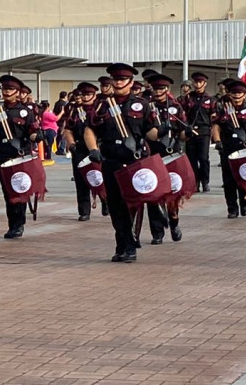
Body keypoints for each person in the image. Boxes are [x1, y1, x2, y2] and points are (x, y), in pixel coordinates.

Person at [82, 63, 146, 262]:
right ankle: (123, 245)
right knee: (116, 206)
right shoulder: (102, 106)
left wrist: (166, 133)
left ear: (131, 82)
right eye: (115, 79)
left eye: (122, 79)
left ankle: (129, 244)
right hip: (111, 161)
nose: (118, 83)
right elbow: (90, 130)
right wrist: (93, 149)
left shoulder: (142, 105)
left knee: (132, 205)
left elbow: (150, 131)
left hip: (135, 162)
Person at [0, 74, 44, 240]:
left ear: (18, 92)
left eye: (11, 89)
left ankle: (19, 224)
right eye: (5, 89)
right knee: (8, 191)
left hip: (20, 154)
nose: (7, 92)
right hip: (2, 155)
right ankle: (13, 223)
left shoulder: (26, 112)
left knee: (20, 188)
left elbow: (32, 132)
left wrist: (36, 137)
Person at [143, 73, 186, 243]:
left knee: (172, 193)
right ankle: (157, 232)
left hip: (171, 153)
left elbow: (182, 134)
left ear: (167, 89)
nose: (158, 91)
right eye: (155, 88)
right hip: (151, 154)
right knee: (152, 193)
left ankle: (174, 221)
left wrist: (186, 134)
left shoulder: (176, 107)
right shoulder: (146, 106)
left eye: (161, 88)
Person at [212, 79, 246, 219]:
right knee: (228, 180)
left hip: (244, 148)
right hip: (227, 148)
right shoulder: (225, 110)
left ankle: (245, 201)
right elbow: (216, 126)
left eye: (239, 93)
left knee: (244, 177)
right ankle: (232, 208)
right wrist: (217, 140)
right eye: (234, 93)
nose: (236, 95)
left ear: (245, 95)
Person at [65, 82, 103, 221]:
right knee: (81, 180)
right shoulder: (75, 111)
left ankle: (106, 201)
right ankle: (84, 210)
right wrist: (71, 144)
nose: (85, 97)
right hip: (80, 148)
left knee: (102, 177)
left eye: (88, 94)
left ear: (94, 95)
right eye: (83, 94)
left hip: (99, 148)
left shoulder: (100, 109)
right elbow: (68, 129)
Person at [180, 71, 215, 193]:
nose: (197, 84)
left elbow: (214, 116)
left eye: (200, 82)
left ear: (205, 83)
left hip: (204, 131)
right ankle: (195, 182)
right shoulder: (188, 98)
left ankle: (205, 181)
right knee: (192, 159)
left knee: (203, 158)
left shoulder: (210, 100)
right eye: (196, 82)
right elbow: (182, 114)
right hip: (190, 131)